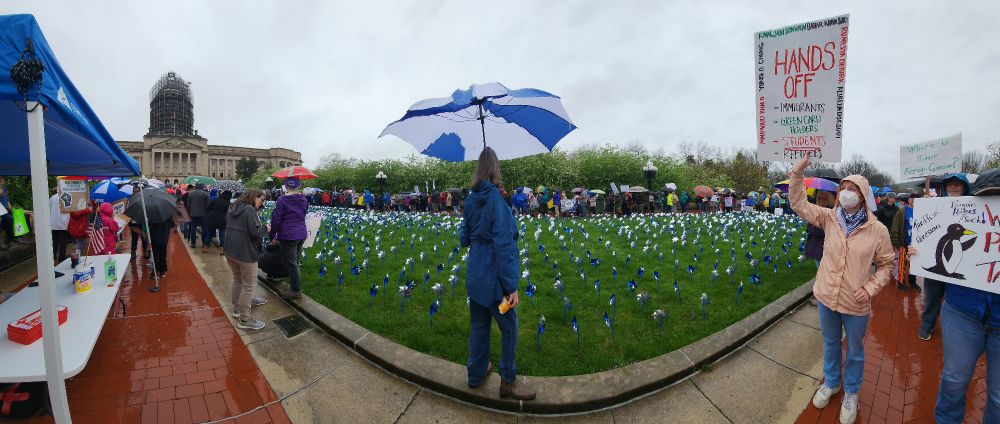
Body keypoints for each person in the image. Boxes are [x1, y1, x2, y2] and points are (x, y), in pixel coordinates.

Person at [789, 156, 893, 424]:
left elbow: (886, 265)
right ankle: (832, 383)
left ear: (863, 196)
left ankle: (852, 393)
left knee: (855, 351)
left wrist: (870, 289)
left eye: (853, 189)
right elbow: (799, 203)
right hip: (826, 297)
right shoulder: (828, 218)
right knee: (831, 343)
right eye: (844, 188)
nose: (847, 193)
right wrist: (797, 173)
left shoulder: (877, 230)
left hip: (856, 303)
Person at [915, 170, 1000, 423]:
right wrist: (919, 253)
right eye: (988, 198)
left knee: (998, 397)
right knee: (953, 380)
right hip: (961, 311)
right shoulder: (965, 219)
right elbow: (941, 254)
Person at [459, 147, 534, 400]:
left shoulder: (470, 199)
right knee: (509, 326)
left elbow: (463, 238)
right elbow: (503, 246)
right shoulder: (497, 202)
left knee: (479, 325)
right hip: (496, 286)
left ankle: (476, 374)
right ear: (495, 169)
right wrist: (511, 287)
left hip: (476, 278)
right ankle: (508, 382)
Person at [918, 174, 971, 341]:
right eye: (950, 185)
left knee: (958, 302)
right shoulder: (934, 205)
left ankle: (956, 331)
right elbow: (923, 233)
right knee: (932, 297)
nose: (954, 187)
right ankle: (927, 324)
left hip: (963, 265)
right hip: (936, 263)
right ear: (945, 188)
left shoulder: (975, 207)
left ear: (965, 187)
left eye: (958, 184)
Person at [225, 189, 270, 330]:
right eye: (261, 200)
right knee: (249, 286)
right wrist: (266, 228)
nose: (262, 203)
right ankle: (244, 320)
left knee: (238, 279)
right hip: (245, 252)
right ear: (254, 197)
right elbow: (256, 234)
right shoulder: (250, 210)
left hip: (230, 249)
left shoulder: (233, 207)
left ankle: (238, 308)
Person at [270, 178, 308, 300]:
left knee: (292, 264)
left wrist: (272, 235)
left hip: (288, 235)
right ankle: (295, 287)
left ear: (286, 187)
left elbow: (276, 219)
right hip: (301, 233)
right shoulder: (303, 199)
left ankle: (295, 290)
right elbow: (304, 213)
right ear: (299, 186)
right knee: (295, 262)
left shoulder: (282, 199)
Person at [889, 193, 921, 291]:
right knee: (902, 263)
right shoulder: (902, 211)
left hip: (916, 244)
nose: (914, 199)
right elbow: (895, 226)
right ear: (909, 199)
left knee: (914, 264)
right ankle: (901, 282)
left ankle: (912, 281)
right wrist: (895, 242)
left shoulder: (922, 211)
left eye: (916, 198)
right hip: (904, 242)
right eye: (912, 197)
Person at [147, 206, 176, 278]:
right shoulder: (168, 214)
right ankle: (162, 271)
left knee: (155, 255)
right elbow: (172, 225)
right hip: (164, 238)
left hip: (154, 238)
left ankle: (155, 272)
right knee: (163, 254)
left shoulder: (153, 215)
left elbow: (150, 226)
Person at [185, 183, 211, 251]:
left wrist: (189, 212)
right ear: (202, 187)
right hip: (203, 214)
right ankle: (204, 243)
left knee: (193, 228)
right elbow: (208, 205)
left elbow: (188, 205)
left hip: (193, 214)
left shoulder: (191, 194)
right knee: (204, 229)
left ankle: (193, 243)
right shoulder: (206, 194)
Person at [127, 186, 151, 260]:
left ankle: (145, 251)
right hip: (133, 223)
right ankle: (133, 252)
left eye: (137, 191)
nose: (136, 192)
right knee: (134, 238)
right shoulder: (129, 200)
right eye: (135, 191)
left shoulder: (144, 200)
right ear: (133, 192)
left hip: (142, 222)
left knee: (144, 237)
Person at [206, 190, 233, 255]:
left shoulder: (214, 199)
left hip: (212, 217)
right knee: (222, 234)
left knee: (209, 233)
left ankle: (205, 247)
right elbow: (230, 212)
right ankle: (221, 249)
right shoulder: (228, 203)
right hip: (222, 219)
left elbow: (208, 208)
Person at [48, 191, 71, 263]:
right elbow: (69, 209)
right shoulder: (67, 197)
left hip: (53, 222)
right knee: (63, 241)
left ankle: (53, 255)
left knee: (55, 240)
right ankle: (61, 256)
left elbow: (49, 208)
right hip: (63, 222)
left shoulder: (52, 198)